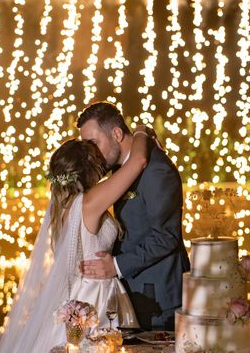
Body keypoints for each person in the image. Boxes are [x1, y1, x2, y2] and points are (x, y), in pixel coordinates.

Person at [0, 128, 154, 353]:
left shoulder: (63, 207)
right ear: (88, 170)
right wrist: (142, 132)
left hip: (83, 292)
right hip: (97, 299)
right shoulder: (88, 203)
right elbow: (137, 161)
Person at [78, 102, 190, 330]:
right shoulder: (119, 170)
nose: (91, 153)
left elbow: (166, 237)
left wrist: (116, 266)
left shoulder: (157, 169)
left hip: (160, 298)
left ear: (117, 134)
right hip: (133, 293)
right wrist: (143, 131)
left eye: (94, 143)